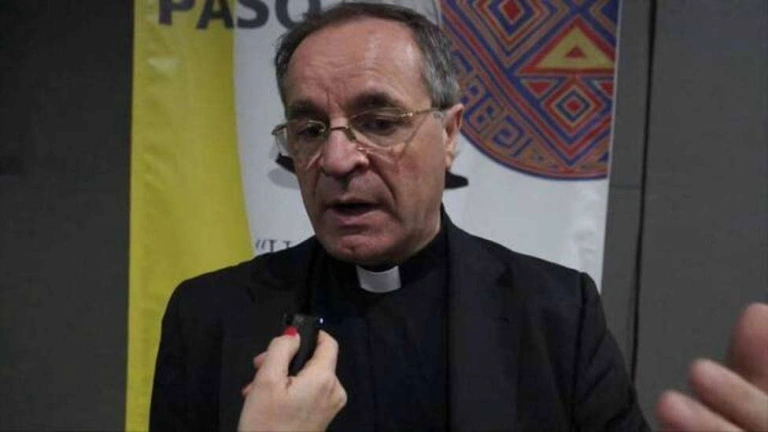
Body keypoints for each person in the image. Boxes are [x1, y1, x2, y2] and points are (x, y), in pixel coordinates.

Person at [150, 3, 767, 431]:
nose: (336, 160)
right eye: (310, 129)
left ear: (449, 134)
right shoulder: (209, 318)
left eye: (379, 122)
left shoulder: (556, 314)